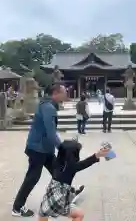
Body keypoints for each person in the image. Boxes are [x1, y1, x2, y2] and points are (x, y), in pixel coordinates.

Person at [12, 84, 84, 218]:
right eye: (64, 92)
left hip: (46, 149)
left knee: (59, 171)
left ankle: (71, 192)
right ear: (56, 93)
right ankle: (17, 207)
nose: (66, 94)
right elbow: (51, 132)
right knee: (32, 178)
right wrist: (63, 149)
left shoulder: (47, 105)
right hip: (38, 149)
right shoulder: (48, 108)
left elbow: (51, 132)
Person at [38, 139, 110, 221]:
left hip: (49, 196)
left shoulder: (56, 162)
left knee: (44, 212)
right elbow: (84, 163)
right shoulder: (70, 167)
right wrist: (97, 155)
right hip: (59, 200)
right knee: (79, 214)